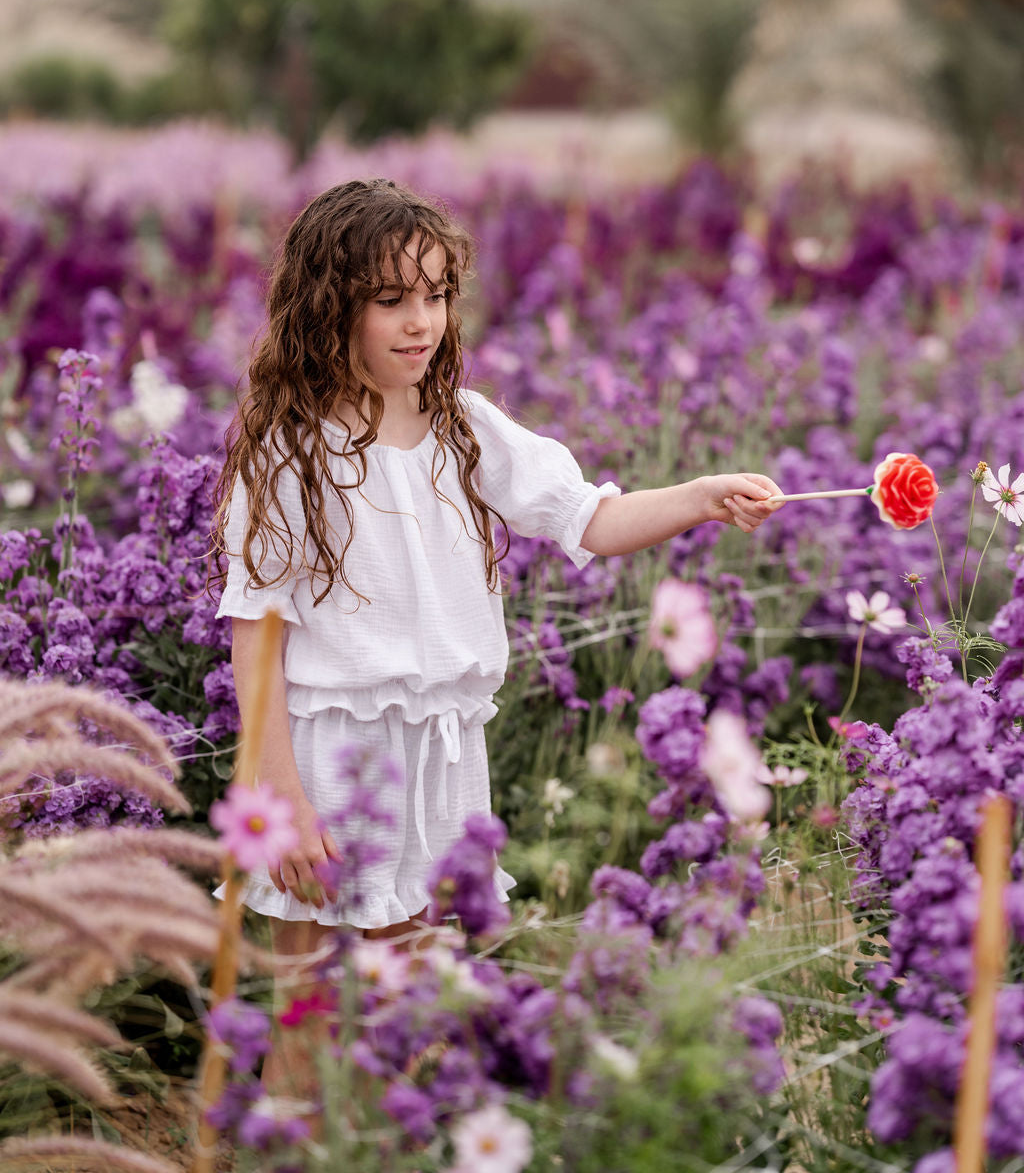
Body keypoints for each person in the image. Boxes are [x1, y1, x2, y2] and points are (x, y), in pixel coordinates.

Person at [213, 177, 782, 1096]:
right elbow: (257, 636)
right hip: (329, 755)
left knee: (413, 1001)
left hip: (443, 750)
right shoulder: (289, 451)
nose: (420, 321)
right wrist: (277, 794)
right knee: (311, 1007)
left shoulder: (465, 430)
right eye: (391, 299)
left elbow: (589, 518)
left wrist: (700, 498)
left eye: (436, 295)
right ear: (328, 307)